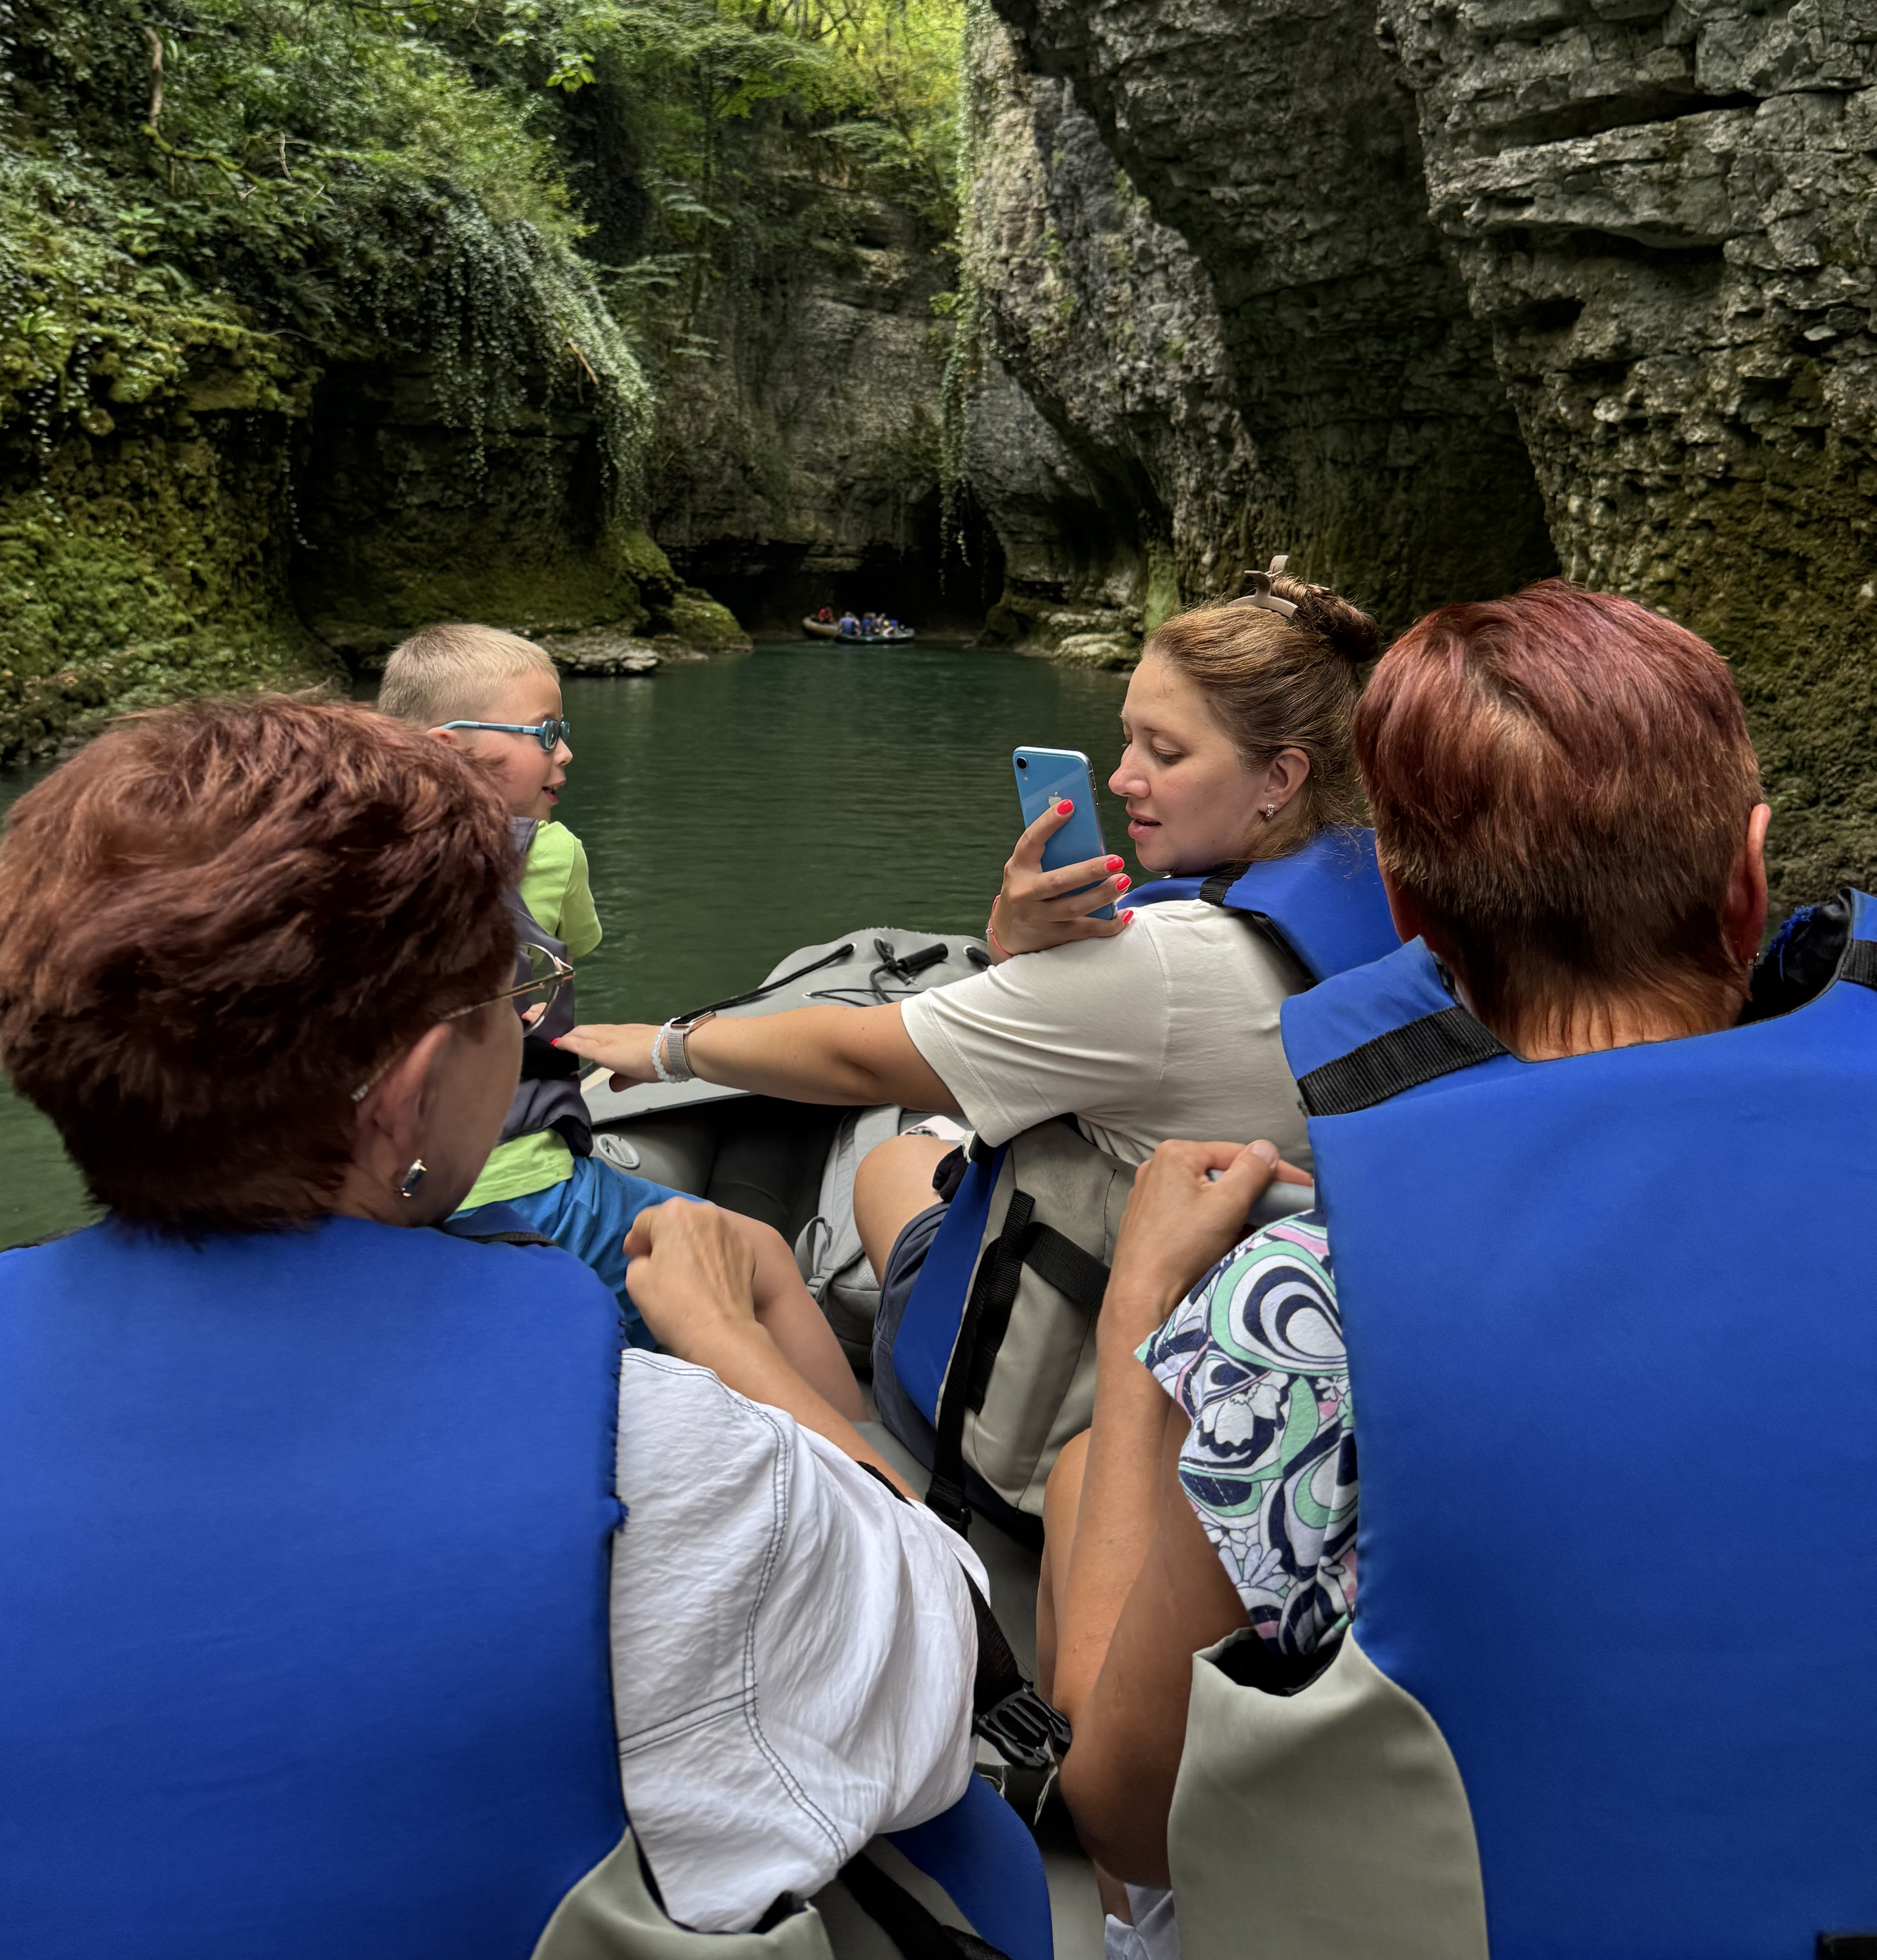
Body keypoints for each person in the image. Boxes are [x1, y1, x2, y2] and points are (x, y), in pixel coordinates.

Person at [0, 697, 987, 1957]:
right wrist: (729, 1342)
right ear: (415, 1092)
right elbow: (953, 1661)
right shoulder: (665, 1459)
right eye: (510, 995)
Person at [1050, 580, 1877, 1956]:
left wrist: (1143, 1322)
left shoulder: (1298, 1310)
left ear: (1406, 915)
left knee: (1098, 1467)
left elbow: (1125, 1814)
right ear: (1748, 873)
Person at [569, 576, 1392, 1526]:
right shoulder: (1390, 900)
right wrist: (1013, 943)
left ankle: (884, 1487)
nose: (1123, 778)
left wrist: (672, 1047)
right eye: (1128, 738)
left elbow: (858, 1060)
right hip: (1248, 1366)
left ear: (1280, 779)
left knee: (890, 1164)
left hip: (1056, 1419)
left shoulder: (1165, 967)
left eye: (1165, 753)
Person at [379, 625, 856, 1411]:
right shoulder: (550, 850)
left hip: (389, 1196)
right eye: (546, 733)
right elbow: (580, 939)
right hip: (522, 1186)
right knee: (763, 1257)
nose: (565, 754)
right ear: (448, 751)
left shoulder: (339, 862)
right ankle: (876, 1460)